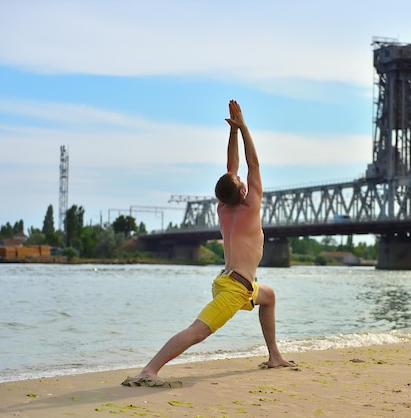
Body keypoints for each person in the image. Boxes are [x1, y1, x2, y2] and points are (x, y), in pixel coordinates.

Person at [122, 100, 294, 388]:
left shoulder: (224, 209)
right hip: (234, 288)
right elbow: (252, 164)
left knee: (269, 296)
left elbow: (232, 167)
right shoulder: (251, 206)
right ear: (242, 189)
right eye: (240, 181)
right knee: (198, 331)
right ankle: (149, 370)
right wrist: (244, 127)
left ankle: (274, 355)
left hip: (233, 282)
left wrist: (233, 132)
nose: (242, 179)